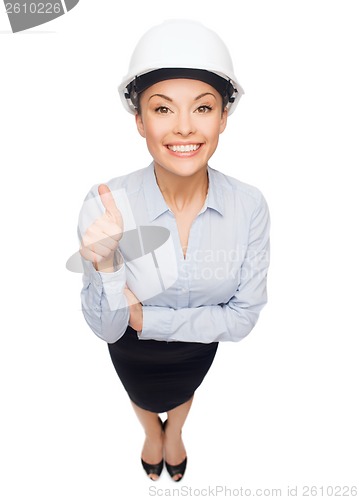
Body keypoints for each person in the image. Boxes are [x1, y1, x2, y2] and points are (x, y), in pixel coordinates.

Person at [77, 19, 270, 482]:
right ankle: (151, 434)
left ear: (224, 116)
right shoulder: (106, 203)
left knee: (184, 392)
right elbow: (107, 328)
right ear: (139, 120)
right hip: (132, 352)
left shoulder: (249, 206)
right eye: (163, 110)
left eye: (202, 108)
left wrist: (144, 318)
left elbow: (242, 320)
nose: (184, 127)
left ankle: (176, 433)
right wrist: (106, 265)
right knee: (141, 396)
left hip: (195, 353)